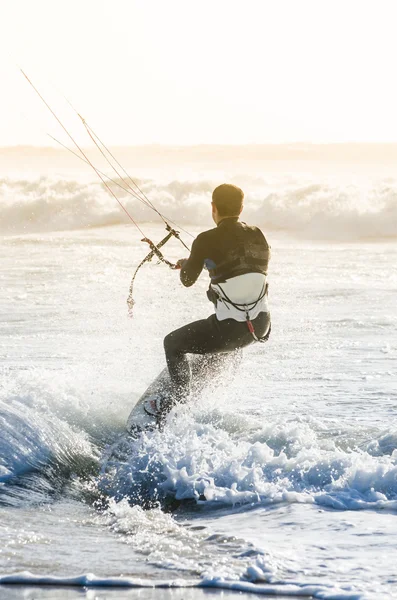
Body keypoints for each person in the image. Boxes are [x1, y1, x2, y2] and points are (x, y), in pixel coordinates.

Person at [144, 183, 271, 418]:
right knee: (220, 341)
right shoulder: (258, 235)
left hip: (230, 331)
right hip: (259, 328)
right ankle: (201, 387)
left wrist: (192, 261)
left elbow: (187, 280)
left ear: (213, 207)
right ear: (241, 208)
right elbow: (241, 267)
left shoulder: (205, 240)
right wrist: (203, 260)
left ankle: (178, 404)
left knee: (173, 343)